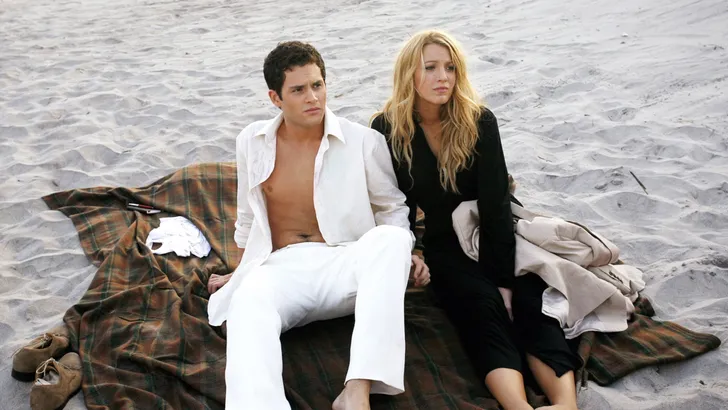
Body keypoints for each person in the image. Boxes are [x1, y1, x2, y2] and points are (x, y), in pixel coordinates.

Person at [205, 41, 431, 410]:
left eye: (317, 85)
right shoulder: (252, 141)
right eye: (298, 90)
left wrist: (406, 254)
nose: (313, 98)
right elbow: (247, 217)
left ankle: (357, 390)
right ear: (275, 98)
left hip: (344, 263)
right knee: (246, 303)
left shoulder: (363, 141)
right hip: (281, 270)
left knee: (393, 238)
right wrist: (241, 270)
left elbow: (392, 208)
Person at [370, 30, 581, 410]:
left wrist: (502, 279)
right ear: (408, 74)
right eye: (430, 67)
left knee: (530, 302)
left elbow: (496, 202)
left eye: (450, 68)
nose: (443, 77)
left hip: (497, 230)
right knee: (480, 307)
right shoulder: (387, 129)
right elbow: (393, 203)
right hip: (443, 240)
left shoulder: (478, 120)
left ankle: (565, 404)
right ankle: (518, 406)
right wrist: (411, 252)